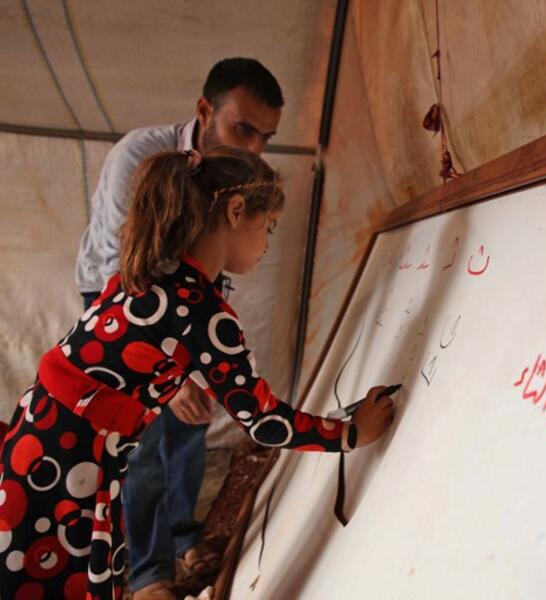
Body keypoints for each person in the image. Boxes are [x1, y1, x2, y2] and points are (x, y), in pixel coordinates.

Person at [0, 146, 397, 600]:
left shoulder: (153, 274)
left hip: (44, 437)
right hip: (69, 459)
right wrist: (349, 434)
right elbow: (263, 420)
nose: (267, 244)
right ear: (234, 211)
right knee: (49, 576)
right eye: (267, 227)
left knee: (38, 567)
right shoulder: (200, 309)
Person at [73, 57, 284, 596]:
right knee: (142, 431)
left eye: (266, 136)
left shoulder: (239, 173)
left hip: (185, 303)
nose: (254, 148)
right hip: (119, 296)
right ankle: (148, 573)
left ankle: (182, 533)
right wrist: (169, 378)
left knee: (193, 419)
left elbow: (210, 266)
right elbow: (132, 273)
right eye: (243, 129)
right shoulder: (140, 158)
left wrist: (202, 366)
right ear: (203, 110)